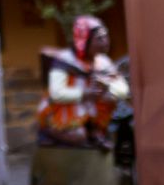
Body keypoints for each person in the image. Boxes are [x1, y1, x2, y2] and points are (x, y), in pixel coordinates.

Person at [37, 15, 130, 150]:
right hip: (62, 113)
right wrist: (85, 93)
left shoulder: (103, 62)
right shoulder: (65, 60)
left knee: (108, 98)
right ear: (84, 40)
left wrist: (108, 86)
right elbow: (56, 93)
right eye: (99, 39)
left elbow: (122, 89)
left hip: (91, 112)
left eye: (106, 37)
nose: (105, 42)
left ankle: (94, 129)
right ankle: (48, 132)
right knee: (78, 137)